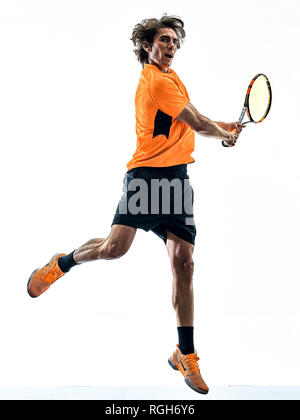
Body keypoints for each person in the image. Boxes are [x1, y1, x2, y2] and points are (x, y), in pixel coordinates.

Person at [27, 14, 244, 395]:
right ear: (148, 46)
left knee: (185, 264)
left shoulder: (173, 77)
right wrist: (221, 134)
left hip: (177, 179)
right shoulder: (157, 81)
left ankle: (185, 354)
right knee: (114, 249)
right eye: (164, 40)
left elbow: (189, 121)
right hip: (145, 177)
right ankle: (59, 263)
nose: (171, 46)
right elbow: (194, 121)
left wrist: (223, 126)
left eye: (175, 41)